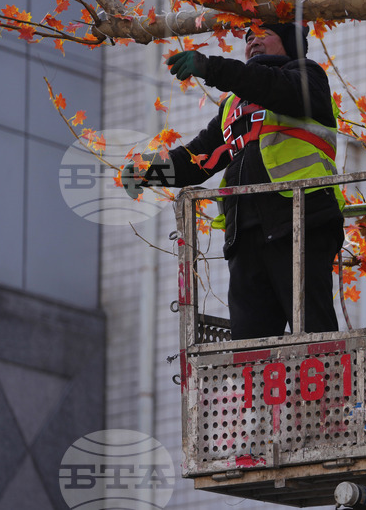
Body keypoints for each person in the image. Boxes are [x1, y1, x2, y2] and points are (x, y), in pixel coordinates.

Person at [121, 23, 345, 339]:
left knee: (312, 330)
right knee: (249, 343)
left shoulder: (308, 77)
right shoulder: (232, 105)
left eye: (264, 33)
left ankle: (324, 385)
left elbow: (275, 88)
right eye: (248, 37)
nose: (253, 40)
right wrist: (148, 170)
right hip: (246, 231)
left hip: (300, 219)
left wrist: (213, 68)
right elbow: (199, 157)